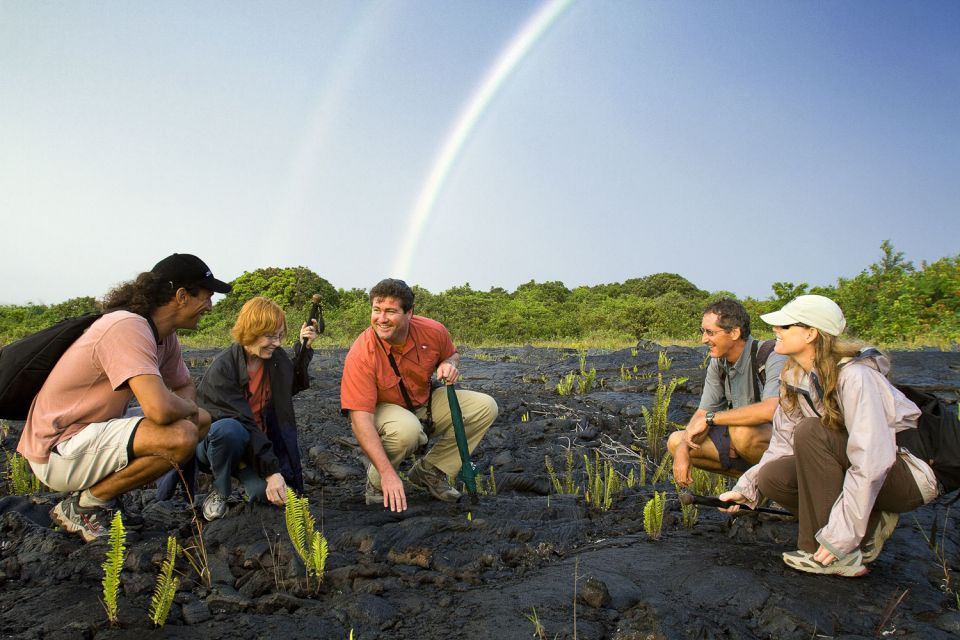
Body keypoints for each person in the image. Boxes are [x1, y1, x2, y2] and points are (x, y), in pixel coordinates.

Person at [719, 295, 938, 576]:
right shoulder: (794, 378)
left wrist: (839, 539)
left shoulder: (857, 377)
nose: (776, 330)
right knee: (772, 476)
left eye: (785, 326)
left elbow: (872, 461)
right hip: (865, 470)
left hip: (908, 476)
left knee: (812, 431)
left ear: (811, 333)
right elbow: (781, 446)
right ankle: (865, 524)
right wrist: (746, 489)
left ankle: (833, 554)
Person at [17, 254, 230, 542]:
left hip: (89, 434)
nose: (209, 306)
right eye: (206, 296)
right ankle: (85, 505)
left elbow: (183, 387)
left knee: (200, 421)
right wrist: (182, 409)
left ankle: (102, 499)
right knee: (179, 436)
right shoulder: (127, 326)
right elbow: (159, 409)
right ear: (181, 296)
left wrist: (185, 408)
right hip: (57, 448)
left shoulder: (165, 336)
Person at [340, 278, 498, 512]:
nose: (381, 319)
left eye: (391, 311)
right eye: (376, 310)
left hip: (423, 401)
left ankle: (431, 470)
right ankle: (376, 483)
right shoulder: (361, 353)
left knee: (485, 406)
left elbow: (452, 354)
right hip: (384, 409)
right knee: (407, 430)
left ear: (409, 313)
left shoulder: (433, 331)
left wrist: (448, 364)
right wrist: (387, 474)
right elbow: (359, 419)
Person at [193, 296, 317, 520]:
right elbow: (244, 422)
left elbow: (292, 386)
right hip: (215, 446)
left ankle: (249, 476)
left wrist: (303, 348)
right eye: (270, 336)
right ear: (250, 332)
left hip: (255, 446)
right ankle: (220, 491)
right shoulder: (223, 369)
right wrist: (271, 472)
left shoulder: (275, 358)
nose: (277, 343)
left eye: (280, 335)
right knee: (228, 430)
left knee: (268, 496)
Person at [668, 299, 787, 485]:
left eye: (710, 332)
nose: (703, 339)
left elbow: (771, 409)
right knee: (676, 441)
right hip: (747, 441)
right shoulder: (718, 363)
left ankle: (775, 487)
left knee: (741, 434)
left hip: (788, 445)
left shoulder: (771, 355)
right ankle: (752, 485)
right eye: (703, 331)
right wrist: (683, 448)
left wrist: (713, 419)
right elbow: (702, 413)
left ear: (734, 333)